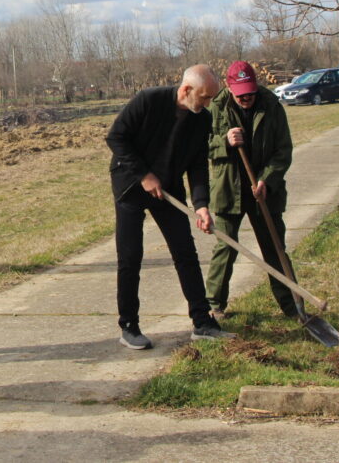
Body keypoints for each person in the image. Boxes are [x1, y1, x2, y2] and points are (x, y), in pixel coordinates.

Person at [107, 64, 233, 349]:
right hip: (130, 184)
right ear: (186, 89)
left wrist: (201, 205)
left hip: (169, 187)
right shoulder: (148, 100)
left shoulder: (202, 118)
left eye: (211, 98)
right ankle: (129, 326)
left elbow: (198, 164)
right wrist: (144, 175)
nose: (207, 103)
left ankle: (202, 322)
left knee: (185, 252)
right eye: (203, 97)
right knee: (130, 257)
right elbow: (116, 138)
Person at [204, 61, 299, 319]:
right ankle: (214, 307)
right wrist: (224, 141)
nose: (246, 98)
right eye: (241, 93)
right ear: (229, 86)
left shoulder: (271, 106)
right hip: (228, 190)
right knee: (226, 247)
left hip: (265, 191)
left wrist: (267, 179)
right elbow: (201, 146)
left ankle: (293, 306)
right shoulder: (216, 107)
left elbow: (283, 150)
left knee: (274, 247)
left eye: (250, 92)